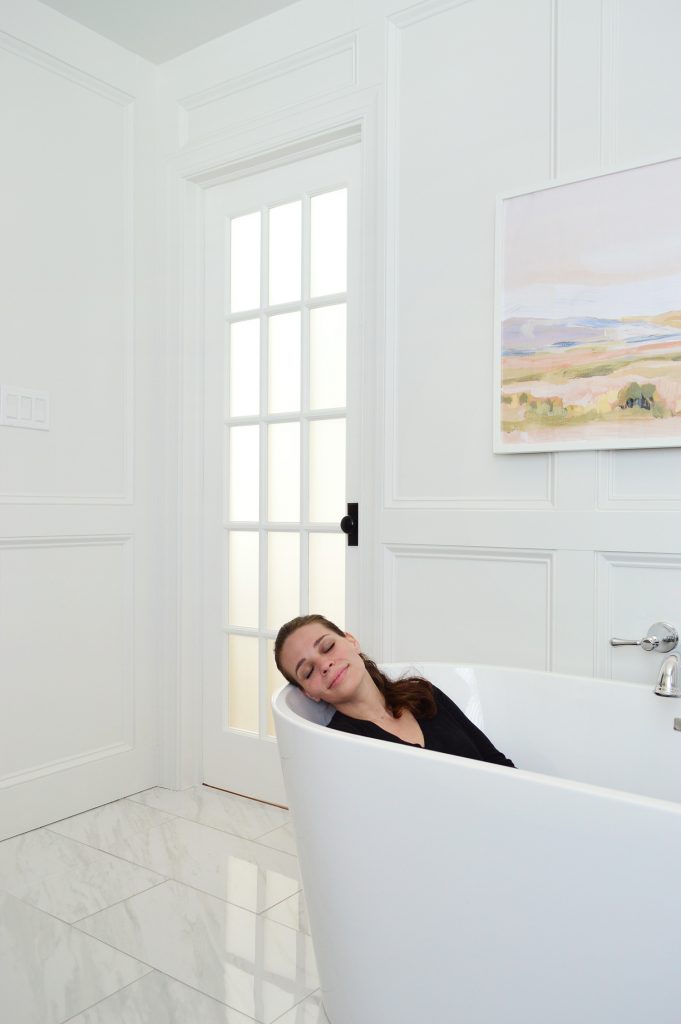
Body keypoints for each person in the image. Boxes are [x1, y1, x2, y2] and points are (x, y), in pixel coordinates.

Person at [274, 613, 515, 768]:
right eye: (308, 672)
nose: (324, 665)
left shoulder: (424, 696)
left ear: (351, 641)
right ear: (309, 693)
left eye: (327, 647)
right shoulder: (340, 746)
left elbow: (496, 762)